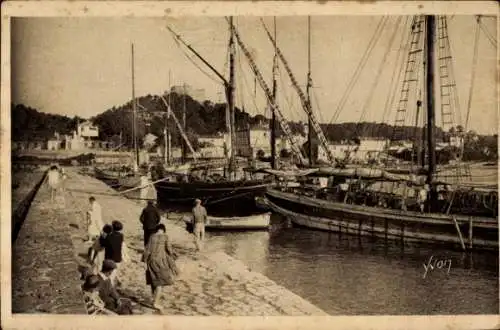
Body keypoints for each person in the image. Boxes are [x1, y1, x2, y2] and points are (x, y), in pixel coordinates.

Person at [143, 224, 179, 309]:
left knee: (153, 280)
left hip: (151, 261)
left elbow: (147, 249)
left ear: (157, 230)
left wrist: (144, 261)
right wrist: (174, 256)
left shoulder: (152, 236)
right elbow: (169, 249)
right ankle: (156, 302)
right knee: (161, 283)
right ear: (163, 230)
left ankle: (153, 298)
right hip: (160, 262)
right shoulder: (165, 237)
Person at [102, 220, 124, 286]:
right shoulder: (121, 236)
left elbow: (103, 244)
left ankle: (109, 288)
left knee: (108, 275)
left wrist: (103, 236)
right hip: (118, 258)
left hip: (109, 258)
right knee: (114, 274)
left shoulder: (109, 237)